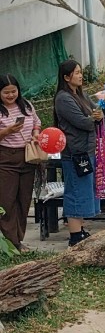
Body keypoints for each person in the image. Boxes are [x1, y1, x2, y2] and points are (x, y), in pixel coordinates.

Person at [53, 60, 104, 247]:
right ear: (66, 77)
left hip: (87, 150)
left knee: (85, 190)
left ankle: (80, 229)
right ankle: (75, 235)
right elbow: (82, 122)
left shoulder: (81, 94)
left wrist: (99, 115)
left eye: (81, 72)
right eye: (76, 73)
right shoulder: (63, 98)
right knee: (75, 190)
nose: (81, 76)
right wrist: (94, 118)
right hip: (74, 152)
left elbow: (96, 111)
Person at [0, 74, 42, 248]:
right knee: (7, 200)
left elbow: (36, 123)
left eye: (14, 91)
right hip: (6, 158)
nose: (11, 95)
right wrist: (7, 131)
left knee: (24, 199)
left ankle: (19, 238)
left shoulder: (26, 106)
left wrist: (36, 135)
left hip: (27, 156)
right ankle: (11, 242)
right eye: (6, 92)